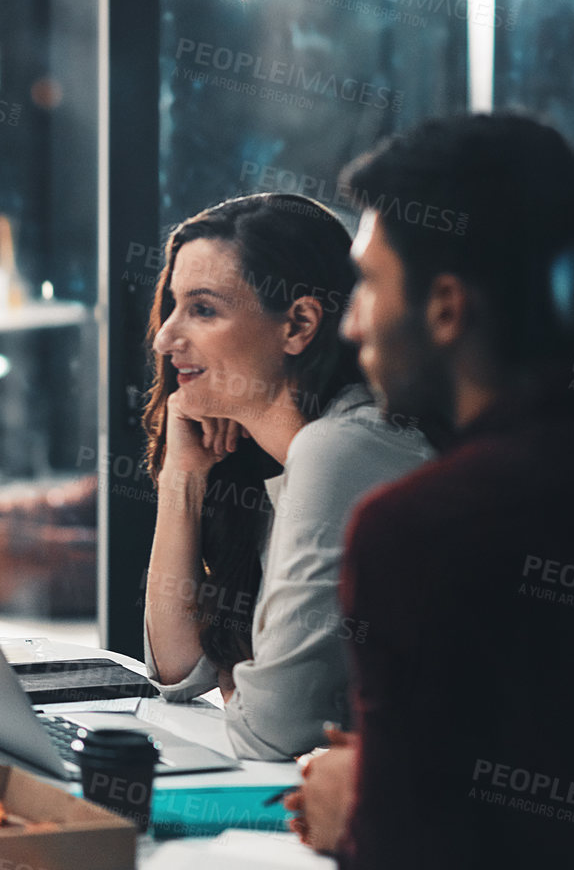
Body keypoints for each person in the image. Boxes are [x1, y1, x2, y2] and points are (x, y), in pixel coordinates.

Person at [285, 114, 574, 870]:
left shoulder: (419, 528)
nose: (352, 327)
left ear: (444, 307)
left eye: (368, 287)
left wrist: (358, 811)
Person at [141, 194, 430, 760]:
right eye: (173, 306)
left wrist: (245, 689)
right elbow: (176, 669)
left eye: (203, 310)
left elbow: (270, 731)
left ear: (298, 325)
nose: (165, 338)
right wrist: (182, 477)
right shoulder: (269, 461)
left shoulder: (345, 450)